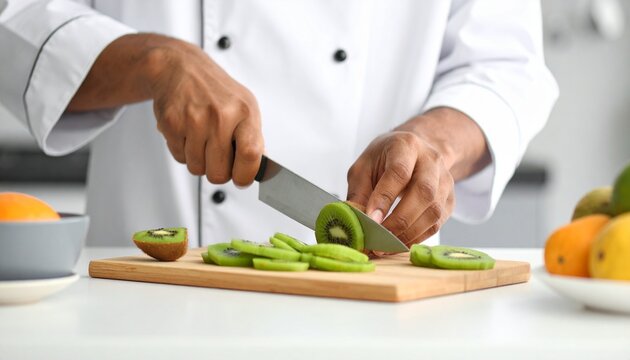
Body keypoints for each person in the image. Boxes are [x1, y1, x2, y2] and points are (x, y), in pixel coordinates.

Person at [0, 0, 558, 247]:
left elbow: (503, 64)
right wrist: (152, 60)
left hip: (374, 309)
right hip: (150, 293)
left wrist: (436, 141)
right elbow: (16, 16)